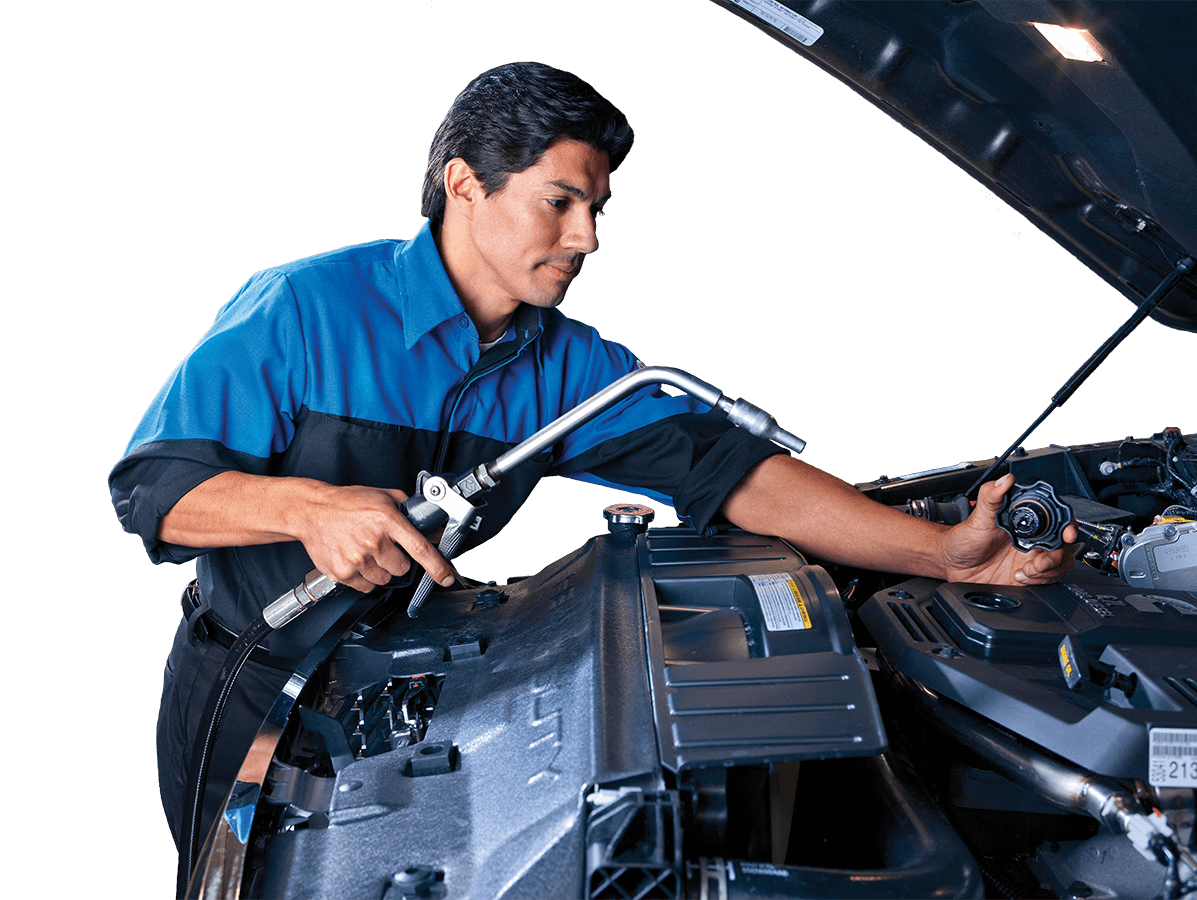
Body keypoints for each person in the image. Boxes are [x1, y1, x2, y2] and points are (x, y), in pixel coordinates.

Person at [109, 60, 1075, 879]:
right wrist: (309, 507)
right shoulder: (303, 308)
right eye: (559, 203)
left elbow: (732, 472)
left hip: (404, 694)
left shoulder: (571, 367)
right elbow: (151, 487)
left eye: (598, 209)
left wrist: (943, 555)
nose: (587, 239)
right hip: (248, 676)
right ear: (464, 185)